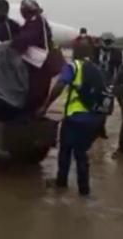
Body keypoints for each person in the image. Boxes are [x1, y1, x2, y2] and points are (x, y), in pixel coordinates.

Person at [44, 55, 105, 196]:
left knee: (65, 150)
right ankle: (84, 191)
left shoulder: (73, 67)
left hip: (75, 118)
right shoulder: (96, 69)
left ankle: (61, 183)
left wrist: (46, 105)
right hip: (93, 120)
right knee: (81, 154)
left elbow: (60, 85)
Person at [10, 0, 56, 115]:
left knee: (33, 97)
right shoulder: (39, 22)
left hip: (37, 68)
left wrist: (12, 42)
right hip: (40, 67)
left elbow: (26, 38)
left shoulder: (36, 22)